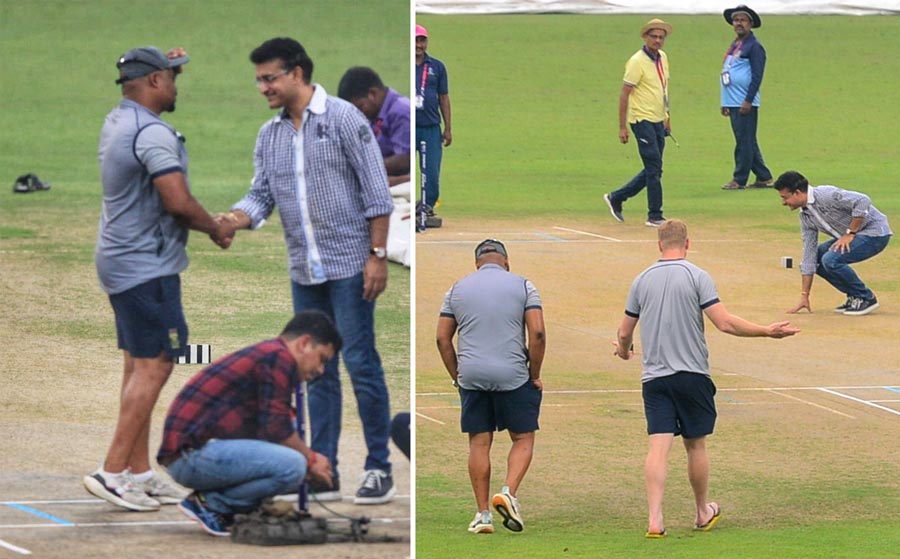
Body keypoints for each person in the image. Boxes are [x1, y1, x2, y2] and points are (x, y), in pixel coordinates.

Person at [218, 37, 397, 505]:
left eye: (269, 77)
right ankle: (325, 469)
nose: (263, 87)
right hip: (305, 270)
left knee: (361, 364)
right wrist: (231, 220)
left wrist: (377, 254)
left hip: (350, 266)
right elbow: (260, 197)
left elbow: (377, 192)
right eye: (259, 79)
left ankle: (378, 467)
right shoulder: (269, 135)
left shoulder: (344, 119)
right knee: (315, 372)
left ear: (297, 73)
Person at [84, 46, 234, 512]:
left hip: (121, 260)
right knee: (157, 365)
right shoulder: (151, 134)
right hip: (146, 267)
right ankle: (112, 471)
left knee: (139, 363)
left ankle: (138, 472)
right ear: (152, 83)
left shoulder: (118, 121)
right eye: (171, 78)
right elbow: (177, 201)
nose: (176, 86)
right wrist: (215, 227)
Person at [614, 219, 799, 538]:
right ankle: (701, 512)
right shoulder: (697, 276)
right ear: (687, 244)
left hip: (655, 378)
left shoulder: (641, 280)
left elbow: (624, 332)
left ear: (659, 246)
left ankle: (655, 520)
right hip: (692, 375)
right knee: (695, 445)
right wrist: (767, 332)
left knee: (658, 446)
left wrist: (624, 350)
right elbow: (724, 323)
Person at [157, 311, 340, 536]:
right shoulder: (278, 358)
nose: (321, 370)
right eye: (322, 359)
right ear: (303, 344)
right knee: (294, 465)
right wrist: (311, 459)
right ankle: (212, 505)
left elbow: (273, 428)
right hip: (191, 456)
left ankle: (226, 504)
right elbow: (276, 428)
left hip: (191, 454)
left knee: (293, 453)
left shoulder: (271, 354)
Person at [436, 239, 546, 534]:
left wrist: (457, 375)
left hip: (472, 375)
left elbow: (442, 339)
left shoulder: (457, 289)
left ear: (477, 264)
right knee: (523, 438)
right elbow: (537, 333)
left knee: (479, 442)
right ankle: (508, 492)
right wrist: (534, 373)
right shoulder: (524, 286)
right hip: (513, 374)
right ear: (506, 262)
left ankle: (483, 515)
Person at [774, 171, 892, 316]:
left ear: (797, 193)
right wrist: (805, 295)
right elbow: (809, 253)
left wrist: (850, 233)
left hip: (876, 233)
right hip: (856, 235)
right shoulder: (805, 216)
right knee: (817, 258)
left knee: (830, 259)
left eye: (785, 197)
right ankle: (855, 296)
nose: (783, 203)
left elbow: (863, 200)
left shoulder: (826, 195)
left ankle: (866, 298)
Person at [604, 19, 673, 228]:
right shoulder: (636, 61)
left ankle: (617, 197)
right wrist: (622, 126)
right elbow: (624, 95)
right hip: (640, 119)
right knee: (653, 167)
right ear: (645, 37)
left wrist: (668, 117)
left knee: (655, 168)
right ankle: (654, 215)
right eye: (654, 37)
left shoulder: (662, 58)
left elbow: (663, 89)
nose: (658, 41)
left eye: (661, 37)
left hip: (658, 119)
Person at [720, 5, 773, 190]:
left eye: (743, 20)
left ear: (750, 23)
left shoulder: (755, 47)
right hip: (732, 99)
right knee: (747, 140)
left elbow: (757, 76)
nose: (739, 23)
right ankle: (764, 176)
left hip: (744, 101)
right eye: (736, 20)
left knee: (744, 141)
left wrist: (748, 100)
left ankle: (739, 179)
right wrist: (724, 101)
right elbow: (727, 72)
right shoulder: (736, 44)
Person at [337, 66, 411, 185]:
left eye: (360, 107)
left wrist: (365, 168)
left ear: (373, 93)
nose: (357, 115)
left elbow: (405, 159)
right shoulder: (374, 114)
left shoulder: (401, 111)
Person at [415, 24, 452, 227]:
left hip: (430, 127)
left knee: (431, 169)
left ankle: (427, 206)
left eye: (422, 40)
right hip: (408, 127)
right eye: (415, 40)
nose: (419, 45)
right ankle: (402, 206)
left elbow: (444, 97)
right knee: (403, 168)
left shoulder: (437, 67)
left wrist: (448, 127)